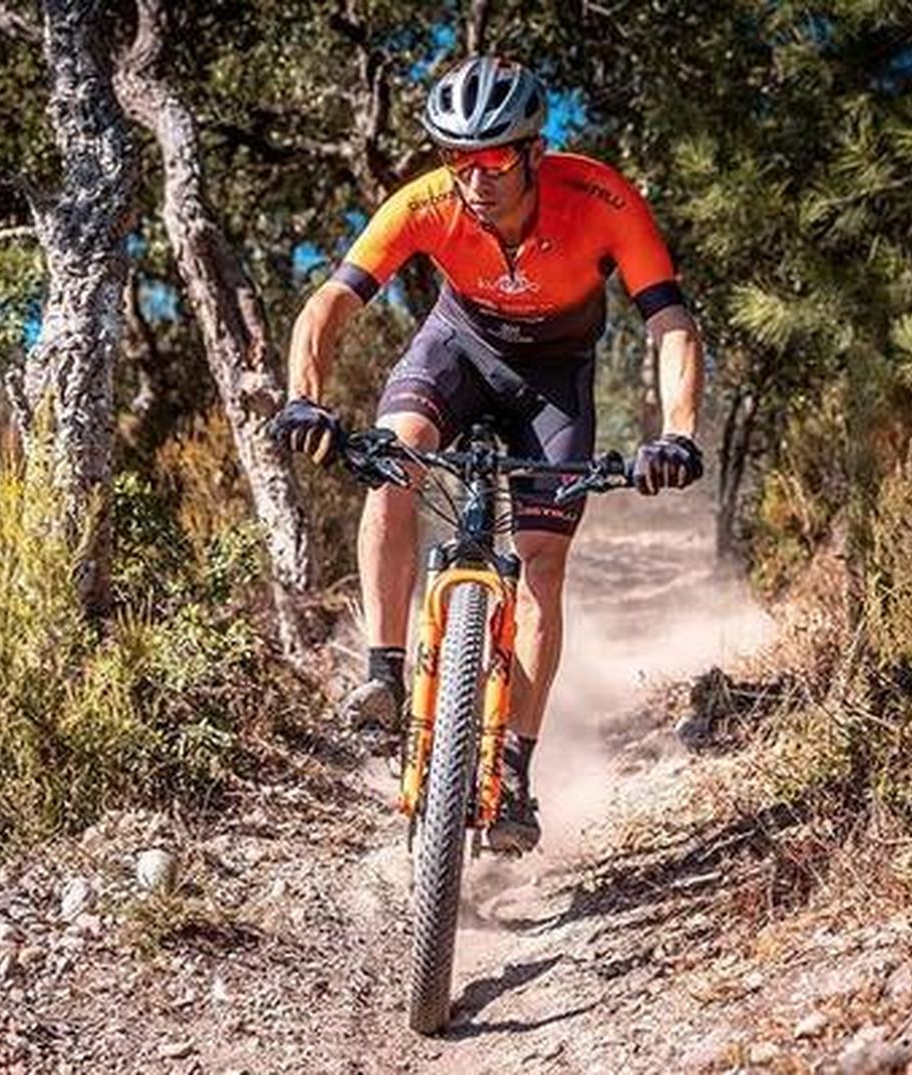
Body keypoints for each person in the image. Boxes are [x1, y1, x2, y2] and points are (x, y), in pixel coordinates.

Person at [274, 56, 705, 853]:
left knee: (541, 559)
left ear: (535, 152)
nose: (474, 176)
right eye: (455, 157)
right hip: (457, 350)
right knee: (393, 459)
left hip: (553, 378)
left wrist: (676, 433)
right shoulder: (426, 204)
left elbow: (670, 324)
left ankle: (514, 768)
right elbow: (330, 301)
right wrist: (304, 395)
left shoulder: (602, 199)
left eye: (495, 157)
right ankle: (384, 668)